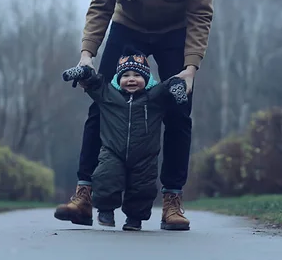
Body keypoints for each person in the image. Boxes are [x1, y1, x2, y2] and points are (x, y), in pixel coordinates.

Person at [53, 0, 214, 231]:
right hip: (129, 26)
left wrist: (189, 69)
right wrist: (87, 55)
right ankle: (84, 194)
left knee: (179, 111)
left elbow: (200, 13)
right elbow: (101, 2)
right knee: (101, 104)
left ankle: (172, 199)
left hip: (174, 30)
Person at [61, 46, 189, 231]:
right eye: (125, 75)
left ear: (146, 79)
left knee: (142, 189)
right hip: (112, 152)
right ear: (118, 78)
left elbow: (170, 85)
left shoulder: (154, 98)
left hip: (145, 156)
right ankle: (105, 211)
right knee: (105, 178)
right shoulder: (109, 95)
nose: (131, 79)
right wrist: (83, 73)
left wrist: (178, 87)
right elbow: (94, 83)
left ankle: (134, 219)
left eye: (137, 76)